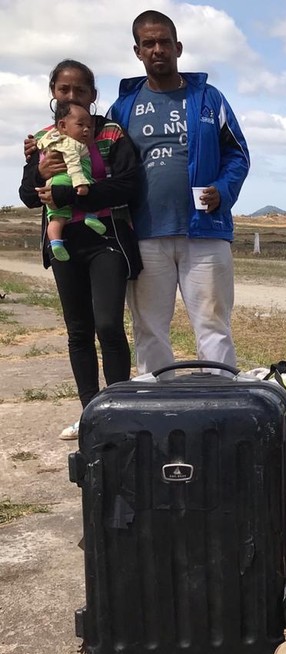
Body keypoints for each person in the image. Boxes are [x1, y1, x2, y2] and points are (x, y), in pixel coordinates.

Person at [108, 10, 250, 374]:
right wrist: (44, 153)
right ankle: (159, 412)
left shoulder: (208, 99)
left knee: (213, 326)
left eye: (165, 42)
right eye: (149, 43)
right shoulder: (122, 107)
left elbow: (237, 153)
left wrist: (223, 189)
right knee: (149, 329)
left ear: (178, 47)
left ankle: (219, 408)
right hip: (144, 235)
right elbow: (97, 157)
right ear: (137, 51)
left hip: (204, 232)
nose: (158, 49)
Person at [19, 59, 142, 440]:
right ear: (53, 93)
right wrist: (39, 173)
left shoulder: (111, 133)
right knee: (78, 331)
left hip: (107, 240)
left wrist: (70, 194)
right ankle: (91, 414)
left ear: (93, 95)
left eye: (80, 91)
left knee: (107, 324)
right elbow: (27, 197)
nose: (72, 96)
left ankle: (119, 409)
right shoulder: (43, 139)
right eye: (64, 90)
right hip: (65, 246)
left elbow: (129, 186)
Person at [37, 101, 108, 261]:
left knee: (57, 218)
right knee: (95, 194)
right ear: (63, 126)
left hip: (55, 185)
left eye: (89, 127)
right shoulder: (71, 144)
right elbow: (73, 164)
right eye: (80, 125)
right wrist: (80, 183)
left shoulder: (52, 140)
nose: (86, 130)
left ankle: (56, 243)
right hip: (69, 180)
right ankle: (91, 216)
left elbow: (41, 143)